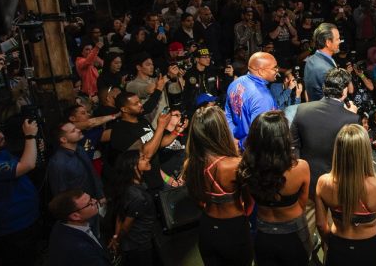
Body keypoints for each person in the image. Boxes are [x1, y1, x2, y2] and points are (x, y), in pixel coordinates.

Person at [290, 68, 359, 238]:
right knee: (337, 230)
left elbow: (293, 146)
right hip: (338, 185)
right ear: (344, 90)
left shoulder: (302, 110)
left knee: (306, 230)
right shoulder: (351, 119)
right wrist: (352, 118)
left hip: (308, 183)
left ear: (324, 87)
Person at [238, 111, 311, 266]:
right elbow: (302, 204)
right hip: (294, 233)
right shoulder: (301, 168)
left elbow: (248, 203)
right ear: (284, 138)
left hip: (262, 233)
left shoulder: (247, 167)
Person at [183, 106, 253, 265]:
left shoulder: (190, 164)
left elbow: (197, 199)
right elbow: (250, 202)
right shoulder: (234, 165)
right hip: (234, 230)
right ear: (221, 130)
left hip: (207, 228)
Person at [315, 124, 376, 266]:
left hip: (338, 246)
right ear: (365, 151)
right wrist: (369, 217)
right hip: (369, 248)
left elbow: (321, 224)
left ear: (338, 151)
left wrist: (331, 243)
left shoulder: (323, 182)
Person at [0, 119, 40, 266]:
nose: (0, 136)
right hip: (13, 227)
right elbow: (27, 165)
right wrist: (30, 137)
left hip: (27, 218)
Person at [109, 90, 187, 190]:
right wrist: (161, 126)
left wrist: (176, 131)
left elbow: (158, 143)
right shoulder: (120, 131)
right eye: (135, 104)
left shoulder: (142, 121)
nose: (141, 104)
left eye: (139, 101)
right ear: (124, 109)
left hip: (157, 176)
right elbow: (146, 154)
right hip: (143, 184)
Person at [47, 122, 105, 233]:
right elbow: (61, 194)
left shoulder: (79, 149)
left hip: (91, 202)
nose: (78, 130)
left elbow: (92, 172)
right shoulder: (58, 163)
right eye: (73, 131)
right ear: (63, 139)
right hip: (79, 212)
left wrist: (100, 194)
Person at [108, 150, 158, 265]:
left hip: (134, 242)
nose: (147, 159)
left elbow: (120, 214)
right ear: (134, 167)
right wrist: (117, 241)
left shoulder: (127, 186)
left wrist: (115, 237)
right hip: (139, 245)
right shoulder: (138, 197)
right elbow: (126, 226)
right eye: (142, 158)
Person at [224, 52, 279, 149]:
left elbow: (228, 116)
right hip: (253, 153)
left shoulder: (236, 83)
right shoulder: (262, 98)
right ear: (261, 71)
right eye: (274, 68)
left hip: (236, 146)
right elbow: (261, 136)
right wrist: (241, 145)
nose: (277, 71)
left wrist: (233, 141)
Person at [47, 189, 111, 266]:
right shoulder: (81, 250)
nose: (95, 201)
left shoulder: (61, 223)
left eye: (91, 198)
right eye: (89, 203)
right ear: (75, 216)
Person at [303, 22, 340, 101]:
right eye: (337, 39)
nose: (340, 41)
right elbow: (332, 99)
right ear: (328, 43)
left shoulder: (311, 60)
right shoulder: (325, 69)